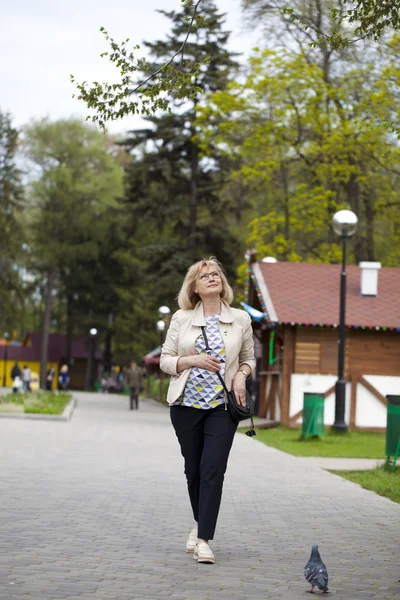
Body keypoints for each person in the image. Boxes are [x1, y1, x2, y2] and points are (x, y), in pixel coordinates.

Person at [160, 257, 255, 564]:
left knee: (213, 469)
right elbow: (165, 361)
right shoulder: (181, 318)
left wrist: (240, 374)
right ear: (196, 288)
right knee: (194, 471)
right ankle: (200, 523)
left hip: (222, 407)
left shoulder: (240, 319)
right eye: (205, 276)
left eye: (216, 274)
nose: (212, 278)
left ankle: (203, 540)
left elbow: (249, 359)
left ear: (221, 283)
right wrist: (193, 360)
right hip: (185, 406)